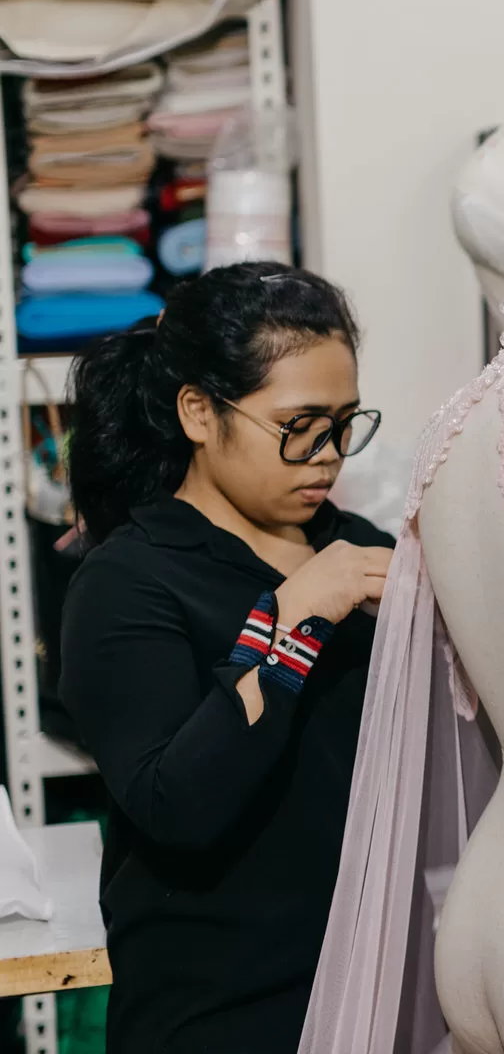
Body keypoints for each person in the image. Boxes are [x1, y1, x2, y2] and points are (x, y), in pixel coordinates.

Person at [59, 263, 393, 1052]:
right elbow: (180, 807)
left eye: (346, 422)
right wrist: (297, 615)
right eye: (300, 424)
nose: (329, 454)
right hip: (216, 1014)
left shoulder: (359, 549)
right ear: (200, 413)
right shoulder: (127, 582)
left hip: (367, 989)